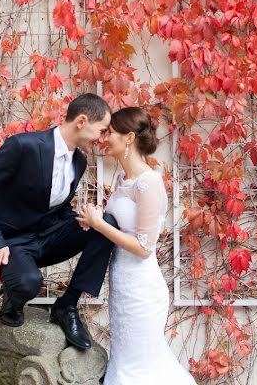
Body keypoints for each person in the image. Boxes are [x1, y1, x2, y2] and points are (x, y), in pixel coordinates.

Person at [0, 93, 116, 350]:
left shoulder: (78, 161)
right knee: (28, 283)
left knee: (106, 224)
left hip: (46, 237)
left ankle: (66, 306)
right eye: (101, 130)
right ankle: (12, 302)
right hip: (10, 243)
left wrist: (81, 219)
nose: (102, 139)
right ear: (81, 121)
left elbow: (54, 207)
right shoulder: (23, 146)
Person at [77, 107, 197, 384]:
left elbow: (144, 247)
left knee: (142, 365)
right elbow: (118, 226)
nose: (104, 138)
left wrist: (100, 225)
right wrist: (93, 220)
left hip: (142, 289)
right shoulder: (122, 179)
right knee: (126, 360)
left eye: (110, 133)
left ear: (129, 138)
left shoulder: (148, 183)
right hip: (121, 284)